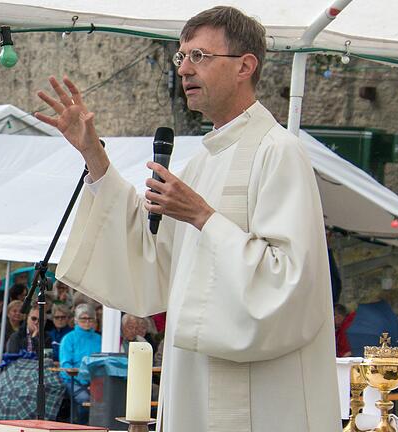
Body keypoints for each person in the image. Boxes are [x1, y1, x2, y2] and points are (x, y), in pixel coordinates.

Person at [38, 6, 338, 431]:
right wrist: (94, 155)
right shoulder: (201, 162)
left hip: (257, 394)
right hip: (193, 377)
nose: (184, 70)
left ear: (244, 66)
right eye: (181, 57)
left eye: (199, 56)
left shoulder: (278, 152)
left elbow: (289, 281)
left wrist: (203, 217)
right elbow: (153, 256)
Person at [58, 303, 102, 424]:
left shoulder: (99, 339)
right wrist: (82, 378)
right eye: (83, 318)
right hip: (73, 380)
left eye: (90, 318)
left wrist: (93, 381)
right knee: (85, 400)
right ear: (76, 320)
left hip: (96, 380)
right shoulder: (69, 338)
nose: (87, 321)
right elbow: (65, 365)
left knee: (107, 398)